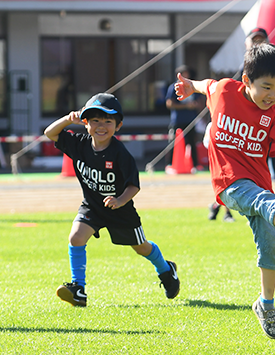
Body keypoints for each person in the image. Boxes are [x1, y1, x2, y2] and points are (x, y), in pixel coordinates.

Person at [174, 43, 275, 339]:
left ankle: (266, 304)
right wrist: (189, 86)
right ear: (246, 80)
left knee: (271, 243)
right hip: (229, 184)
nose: (273, 95)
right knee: (266, 203)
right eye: (267, 87)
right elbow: (206, 85)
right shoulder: (225, 91)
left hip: (259, 185)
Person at [44, 93, 180, 307]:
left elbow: (134, 185)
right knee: (76, 237)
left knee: (141, 247)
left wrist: (120, 200)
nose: (101, 126)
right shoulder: (79, 144)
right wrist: (69, 119)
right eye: (95, 120)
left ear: (118, 126)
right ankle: (78, 289)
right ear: (86, 123)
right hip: (93, 206)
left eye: (108, 121)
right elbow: (49, 133)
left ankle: (165, 269)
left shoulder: (120, 153)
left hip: (121, 210)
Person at [231, 27, 275, 209]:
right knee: (243, 171)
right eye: (255, 40)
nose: (258, 43)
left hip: (274, 127)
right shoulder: (246, 71)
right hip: (250, 130)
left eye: (262, 40)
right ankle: (247, 208)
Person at [166, 65, 205, 171]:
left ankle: (195, 165)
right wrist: (185, 106)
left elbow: (199, 101)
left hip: (191, 120)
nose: (186, 76)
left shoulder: (192, 86)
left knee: (193, 142)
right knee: (174, 142)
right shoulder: (173, 87)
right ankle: (170, 164)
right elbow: (169, 104)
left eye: (187, 73)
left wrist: (196, 106)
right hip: (177, 120)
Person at [203, 121, 235, 222]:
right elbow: (206, 142)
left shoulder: (233, 123)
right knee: (225, 186)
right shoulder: (212, 125)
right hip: (218, 160)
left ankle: (215, 206)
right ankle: (227, 213)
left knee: (228, 187)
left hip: (231, 159)